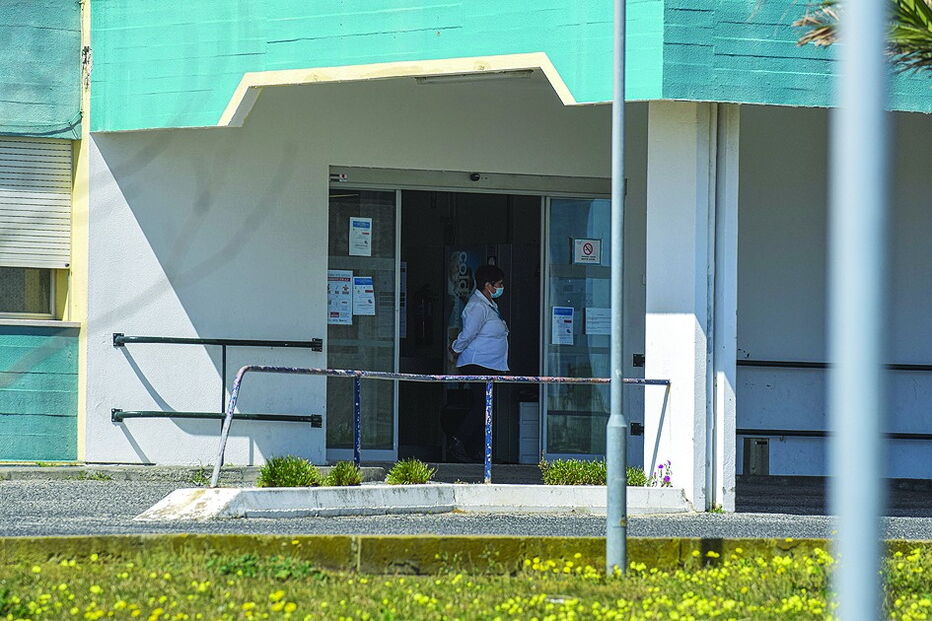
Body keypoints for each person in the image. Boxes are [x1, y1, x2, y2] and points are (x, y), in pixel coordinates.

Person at [448, 264, 508, 462]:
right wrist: (455, 349)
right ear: (488, 285)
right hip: (477, 363)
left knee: (485, 407)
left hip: (489, 364)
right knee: (483, 405)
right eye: (498, 284)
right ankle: (459, 441)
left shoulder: (490, 304)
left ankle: (474, 448)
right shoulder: (477, 306)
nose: (501, 288)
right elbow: (468, 333)